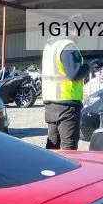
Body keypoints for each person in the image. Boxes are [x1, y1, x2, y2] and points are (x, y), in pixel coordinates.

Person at [41, 18, 89, 150]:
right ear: (75, 30)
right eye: (82, 33)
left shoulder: (50, 46)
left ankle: (49, 169)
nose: (82, 36)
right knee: (69, 147)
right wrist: (88, 67)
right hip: (67, 104)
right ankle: (68, 171)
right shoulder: (67, 45)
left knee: (53, 145)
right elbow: (74, 73)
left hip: (51, 103)